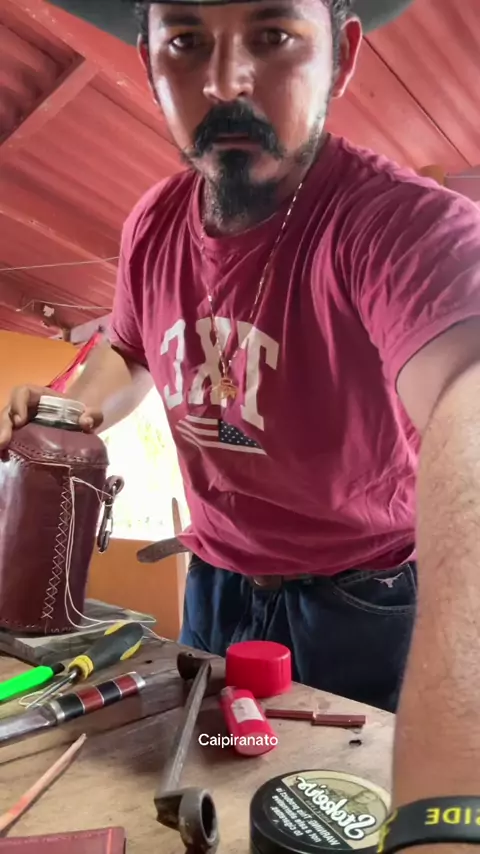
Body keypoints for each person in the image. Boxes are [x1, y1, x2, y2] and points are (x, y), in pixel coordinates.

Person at [1, 0, 480, 813]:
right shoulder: (152, 224)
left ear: (342, 56)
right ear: (150, 62)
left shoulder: (400, 225)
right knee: (211, 778)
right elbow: (127, 349)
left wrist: (450, 809)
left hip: (362, 604)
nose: (226, 81)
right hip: (217, 586)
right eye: (187, 41)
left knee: (344, 807)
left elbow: (467, 389)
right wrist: (70, 415)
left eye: (273, 36)